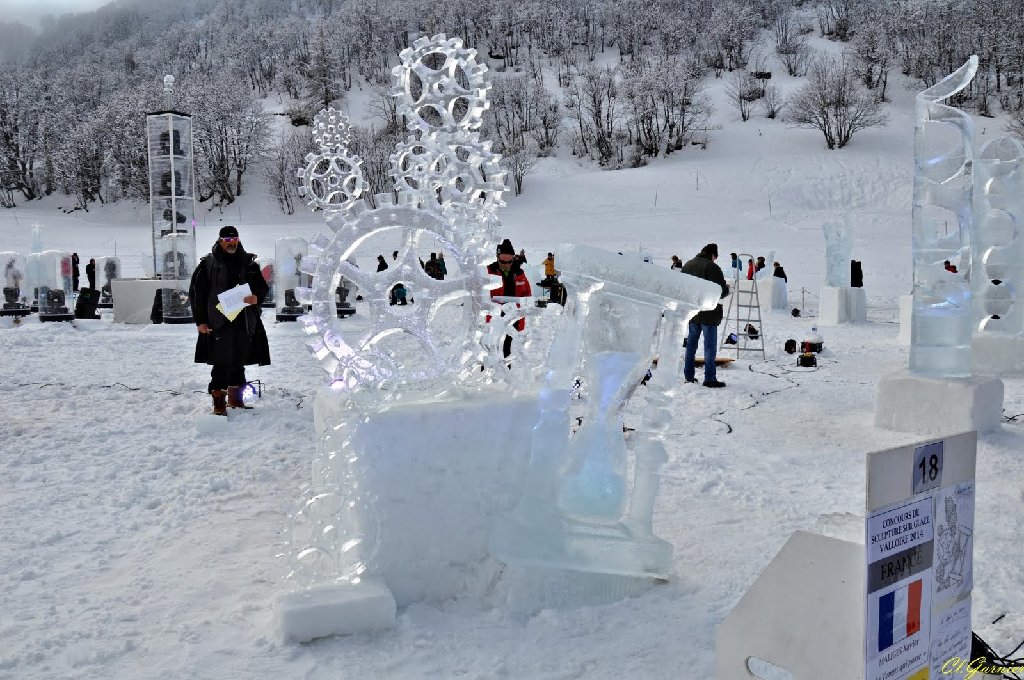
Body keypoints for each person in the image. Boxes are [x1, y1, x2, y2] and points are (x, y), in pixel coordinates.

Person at [188, 226, 270, 416]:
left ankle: (235, 399)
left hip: (243, 320)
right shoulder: (207, 264)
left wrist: (256, 297)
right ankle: (219, 402)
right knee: (221, 361)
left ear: (238, 240)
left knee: (239, 359)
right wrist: (200, 321)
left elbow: (261, 287)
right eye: (227, 240)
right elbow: (196, 294)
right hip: (217, 322)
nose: (231, 243)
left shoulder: (249, 263)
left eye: (234, 240)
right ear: (219, 241)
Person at [680, 243, 729, 388]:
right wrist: (727, 288)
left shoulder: (688, 265)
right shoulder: (712, 267)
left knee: (691, 346)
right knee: (709, 347)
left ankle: (688, 376)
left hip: (693, 313)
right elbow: (720, 290)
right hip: (708, 314)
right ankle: (709, 378)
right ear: (713, 255)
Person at [487, 238, 532, 358]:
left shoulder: (519, 273)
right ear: (497, 257)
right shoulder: (489, 271)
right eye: (503, 261)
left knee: (508, 346)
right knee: (491, 346)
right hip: (495, 315)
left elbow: (527, 293)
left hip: (513, 316)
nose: (506, 265)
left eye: (510, 261)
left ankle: (506, 368)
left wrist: (525, 304)